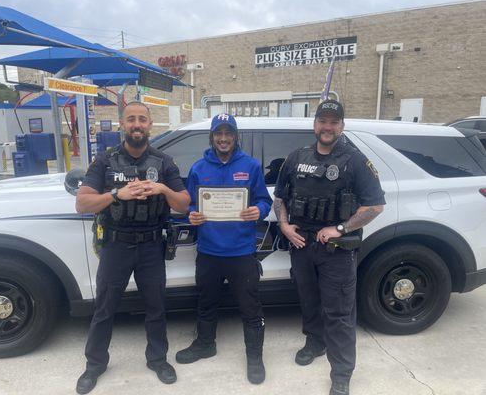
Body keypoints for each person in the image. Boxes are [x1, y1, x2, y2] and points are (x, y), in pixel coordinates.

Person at [75, 102, 190, 394]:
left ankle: (157, 359)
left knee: (156, 308)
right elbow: (82, 203)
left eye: (142, 119)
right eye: (131, 120)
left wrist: (163, 189)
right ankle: (95, 364)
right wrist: (117, 194)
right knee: (104, 308)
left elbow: (184, 203)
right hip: (116, 246)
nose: (136, 124)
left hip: (152, 246)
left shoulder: (164, 162)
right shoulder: (105, 160)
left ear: (150, 124)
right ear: (122, 125)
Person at [272, 99, 385, 395]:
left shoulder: (355, 160)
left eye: (334, 122)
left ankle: (342, 373)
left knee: (339, 314)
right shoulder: (297, 157)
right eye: (323, 121)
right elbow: (281, 198)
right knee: (309, 302)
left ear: (342, 126)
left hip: (336, 249)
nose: (328, 126)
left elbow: (375, 206)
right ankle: (314, 343)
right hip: (302, 245)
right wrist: (284, 226)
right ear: (315, 125)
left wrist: (340, 228)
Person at [175, 113, 272, 384]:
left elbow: (265, 201)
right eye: (219, 133)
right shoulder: (198, 168)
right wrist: (192, 215)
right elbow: (191, 205)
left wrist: (258, 210)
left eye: (228, 133)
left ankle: (254, 355)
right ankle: (206, 344)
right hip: (208, 251)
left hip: (241, 252)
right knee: (206, 302)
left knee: (250, 307)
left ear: (235, 136)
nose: (223, 138)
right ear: (212, 136)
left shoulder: (250, 166)